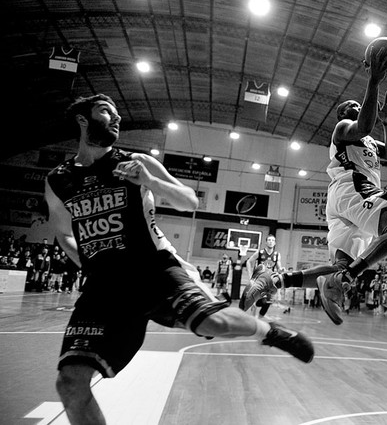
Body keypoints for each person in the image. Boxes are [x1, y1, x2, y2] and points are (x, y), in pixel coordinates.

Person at [45, 94, 314, 425]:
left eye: (118, 114)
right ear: (83, 120)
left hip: (152, 270)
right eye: (106, 112)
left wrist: (150, 180)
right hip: (104, 287)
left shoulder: (136, 162)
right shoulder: (58, 179)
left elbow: (189, 201)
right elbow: (64, 233)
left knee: (211, 324)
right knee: (70, 383)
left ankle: (271, 331)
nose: (116, 118)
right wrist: (87, 264)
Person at [241, 45, 387, 325]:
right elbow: (364, 126)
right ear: (343, 114)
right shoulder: (344, 129)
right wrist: (373, 81)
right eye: (352, 107)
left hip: (347, 200)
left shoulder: (368, 141)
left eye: (359, 106)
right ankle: (342, 280)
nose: (357, 107)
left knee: (339, 266)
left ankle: (273, 280)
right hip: (354, 189)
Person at [241, 235, 290, 317]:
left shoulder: (277, 255)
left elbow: (279, 269)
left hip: (269, 281)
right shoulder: (260, 253)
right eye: (269, 240)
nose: (271, 241)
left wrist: (281, 270)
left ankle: (259, 320)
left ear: (275, 243)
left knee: (267, 302)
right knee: (255, 301)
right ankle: (254, 320)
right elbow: (248, 262)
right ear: (266, 242)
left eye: (272, 240)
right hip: (258, 280)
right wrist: (250, 275)